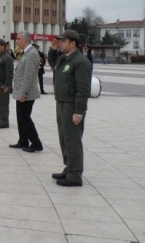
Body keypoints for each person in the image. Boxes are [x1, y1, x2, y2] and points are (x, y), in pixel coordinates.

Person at [48, 30, 92, 187]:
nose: (60, 43)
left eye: (63, 41)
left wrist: (79, 111)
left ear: (73, 43)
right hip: (61, 103)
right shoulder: (64, 59)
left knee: (73, 140)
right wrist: (52, 50)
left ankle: (75, 174)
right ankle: (69, 167)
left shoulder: (80, 62)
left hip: (72, 106)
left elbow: (83, 89)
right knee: (64, 138)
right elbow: (52, 63)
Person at [9, 31, 43, 153]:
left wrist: (24, 93)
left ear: (25, 40)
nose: (16, 41)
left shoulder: (32, 54)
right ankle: (23, 140)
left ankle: (36, 143)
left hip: (26, 93)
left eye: (18, 39)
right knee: (20, 117)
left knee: (25, 118)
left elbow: (28, 76)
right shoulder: (26, 53)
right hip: (21, 91)